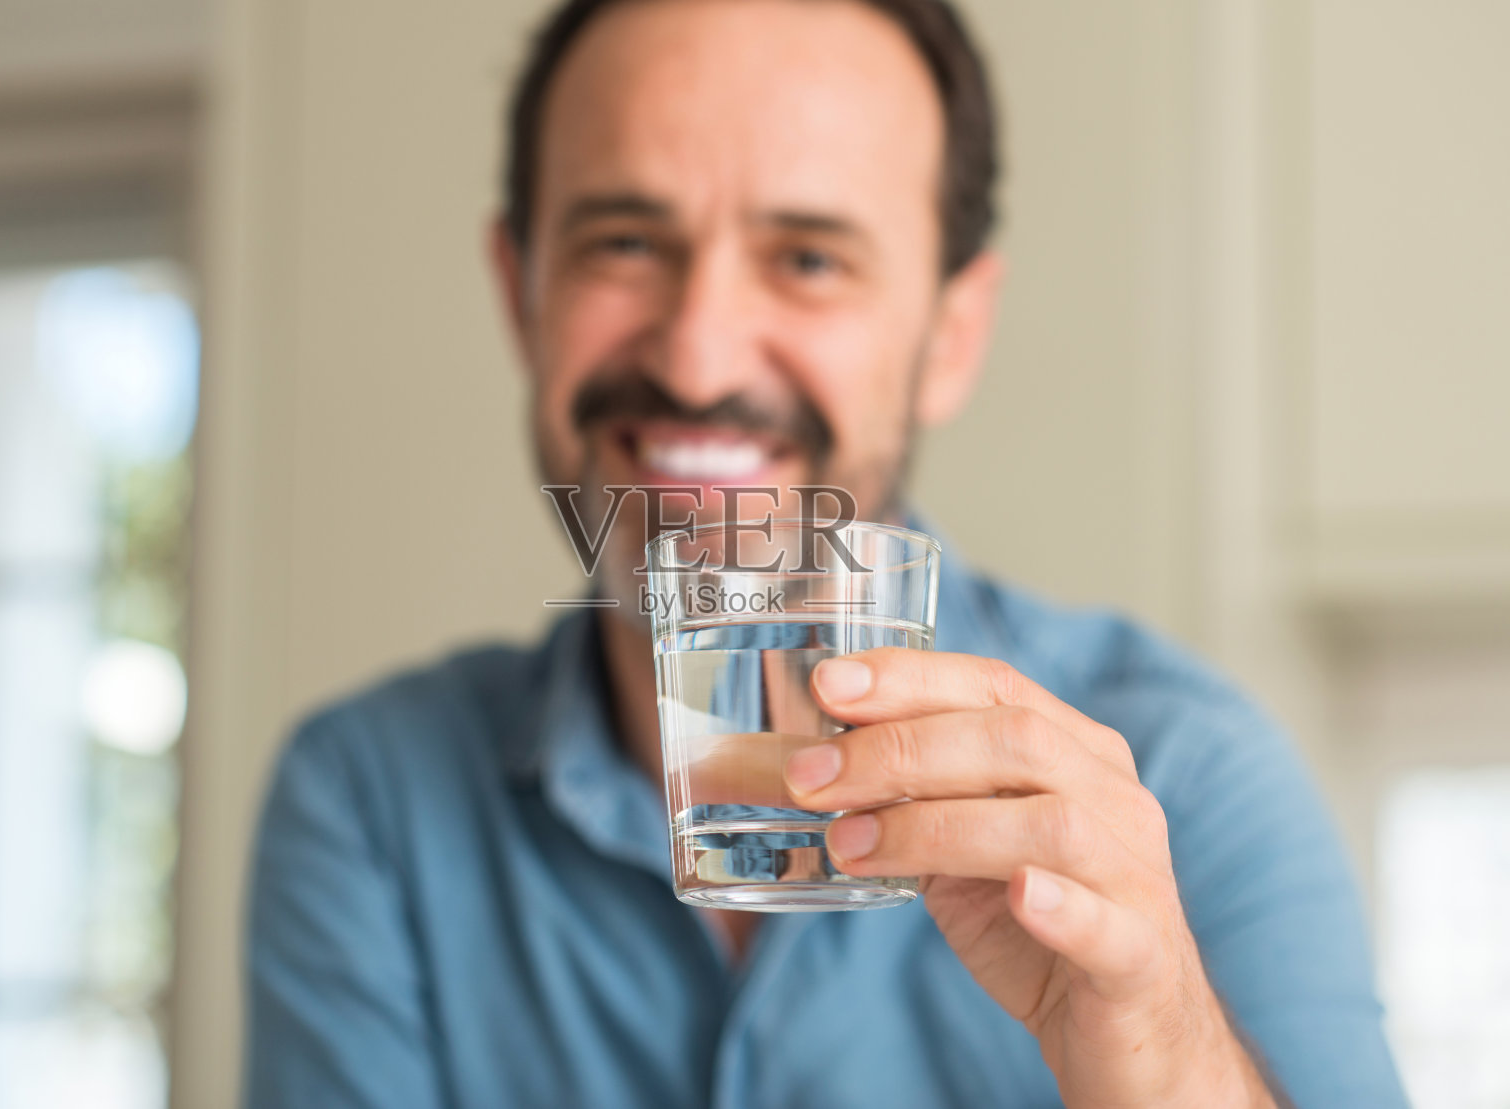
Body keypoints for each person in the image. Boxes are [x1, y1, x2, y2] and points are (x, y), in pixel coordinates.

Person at [244, 1, 1410, 1106]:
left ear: (949, 337)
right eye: (624, 241)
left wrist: (1162, 1054)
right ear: (521, 294)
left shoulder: (1185, 782)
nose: (698, 358)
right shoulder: (373, 799)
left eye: (807, 258)